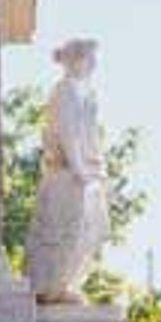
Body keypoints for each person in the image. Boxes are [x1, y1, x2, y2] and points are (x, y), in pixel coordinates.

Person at [26, 38, 110, 304]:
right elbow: (67, 131)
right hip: (69, 172)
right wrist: (78, 167)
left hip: (86, 171)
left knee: (93, 229)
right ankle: (53, 287)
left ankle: (66, 283)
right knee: (65, 230)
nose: (94, 64)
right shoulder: (66, 90)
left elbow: (88, 134)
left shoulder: (84, 92)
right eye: (90, 57)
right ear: (78, 59)